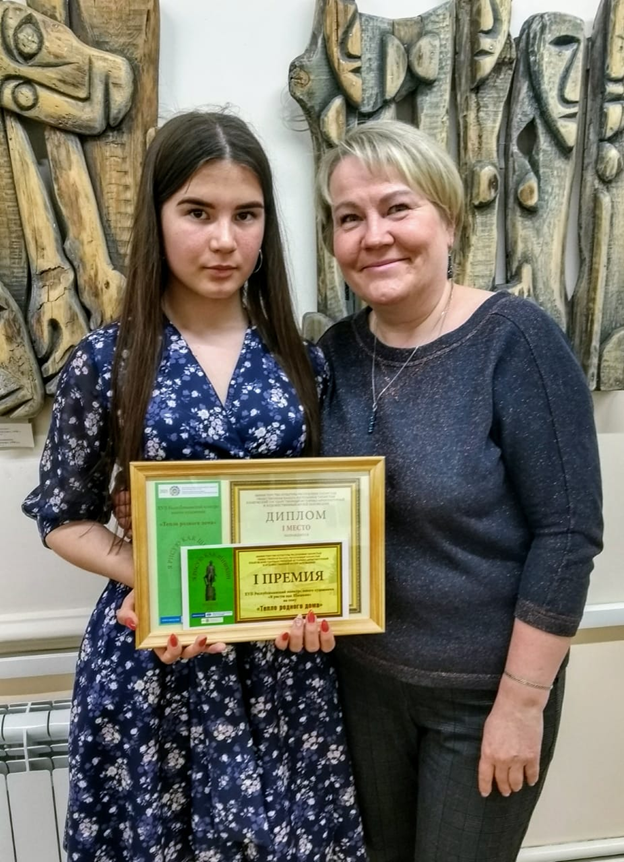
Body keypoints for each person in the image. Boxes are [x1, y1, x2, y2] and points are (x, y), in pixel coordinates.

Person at [22, 111, 365, 862]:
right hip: (158, 659)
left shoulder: (304, 361)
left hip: (281, 668)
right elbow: (62, 516)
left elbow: (324, 512)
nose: (224, 240)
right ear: (156, 218)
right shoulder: (105, 361)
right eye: (198, 212)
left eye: (246, 215)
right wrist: (150, 573)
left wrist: (322, 598)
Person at [315, 119, 603, 862]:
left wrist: (522, 703)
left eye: (397, 207)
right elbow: (292, 500)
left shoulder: (516, 340)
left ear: (447, 219)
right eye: (349, 218)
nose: (374, 235)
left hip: (484, 696)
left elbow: (568, 534)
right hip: (360, 687)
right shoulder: (333, 355)